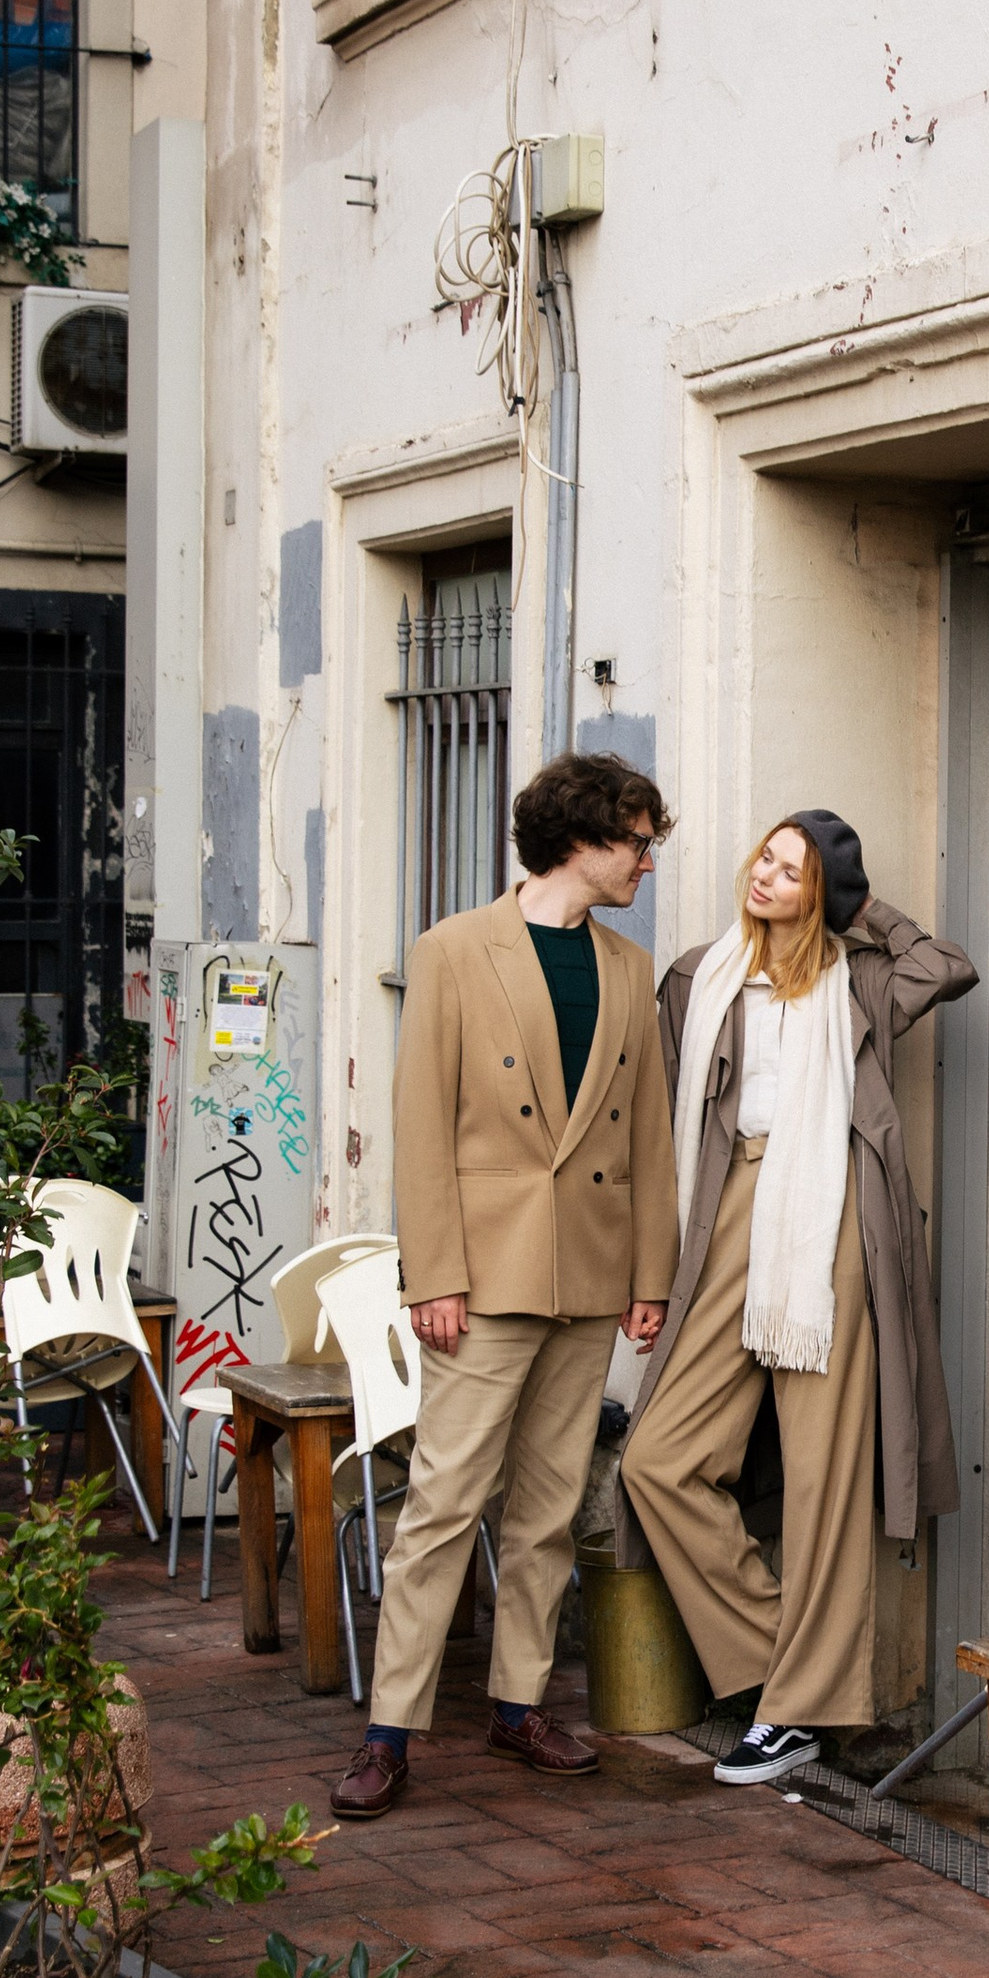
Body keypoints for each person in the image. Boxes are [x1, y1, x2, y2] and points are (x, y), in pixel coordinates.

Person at [335, 751, 679, 1820]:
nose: (647, 863)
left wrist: (650, 1274)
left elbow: (650, 1135)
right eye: (637, 843)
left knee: (547, 1508)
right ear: (581, 840)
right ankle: (390, 1730)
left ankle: (518, 1705)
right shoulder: (452, 950)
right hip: (482, 1276)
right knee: (444, 1504)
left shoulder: (627, 967)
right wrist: (431, 1274)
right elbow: (421, 1125)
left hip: (589, 1272)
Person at [621, 809, 975, 1786]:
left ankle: (794, 1712)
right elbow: (657, 1125)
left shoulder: (857, 981)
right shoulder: (699, 977)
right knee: (657, 1461)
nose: (766, 877)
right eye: (765, 859)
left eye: (792, 870)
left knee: (825, 1478)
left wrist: (863, 911)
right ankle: (790, 1664)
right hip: (727, 1209)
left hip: (830, 1227)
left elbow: (945, 966)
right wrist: (651, 1274)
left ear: (823, 894)